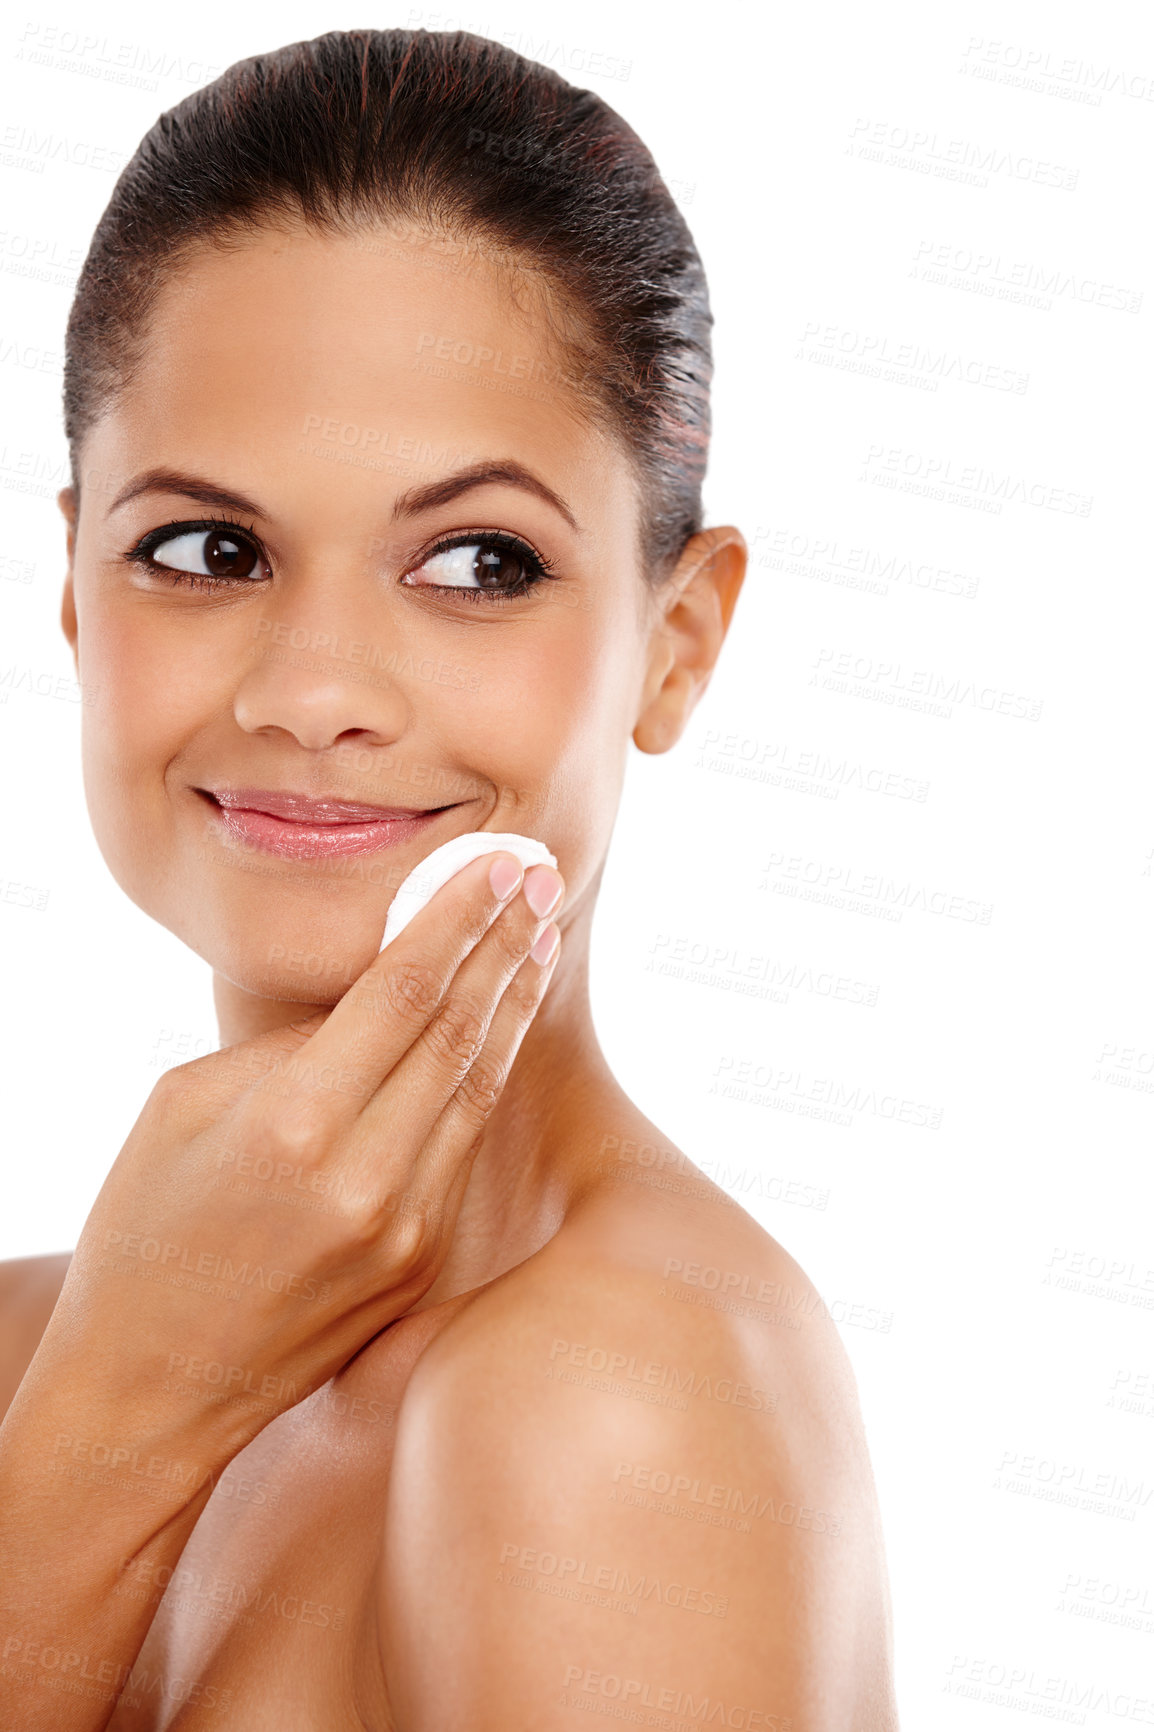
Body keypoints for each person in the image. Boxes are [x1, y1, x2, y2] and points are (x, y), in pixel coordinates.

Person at [0, 28, 899, 1730]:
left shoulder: (617, 1399)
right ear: (71, 587)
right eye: (205, 549)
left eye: (478, 562)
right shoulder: (34, 1355)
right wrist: (130, 1406)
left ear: (677, 644)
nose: (312, 687)